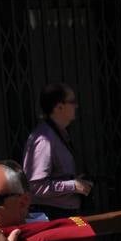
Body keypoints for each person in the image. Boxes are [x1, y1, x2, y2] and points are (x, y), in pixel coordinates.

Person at [22, 83, 92, 220]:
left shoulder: (58, 133)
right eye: (72, 102)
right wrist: (73, 185)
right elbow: (36, 186)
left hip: (65, 212)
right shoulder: (44, 140)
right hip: (53, 215)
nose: (76, 106)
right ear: (59, 107)